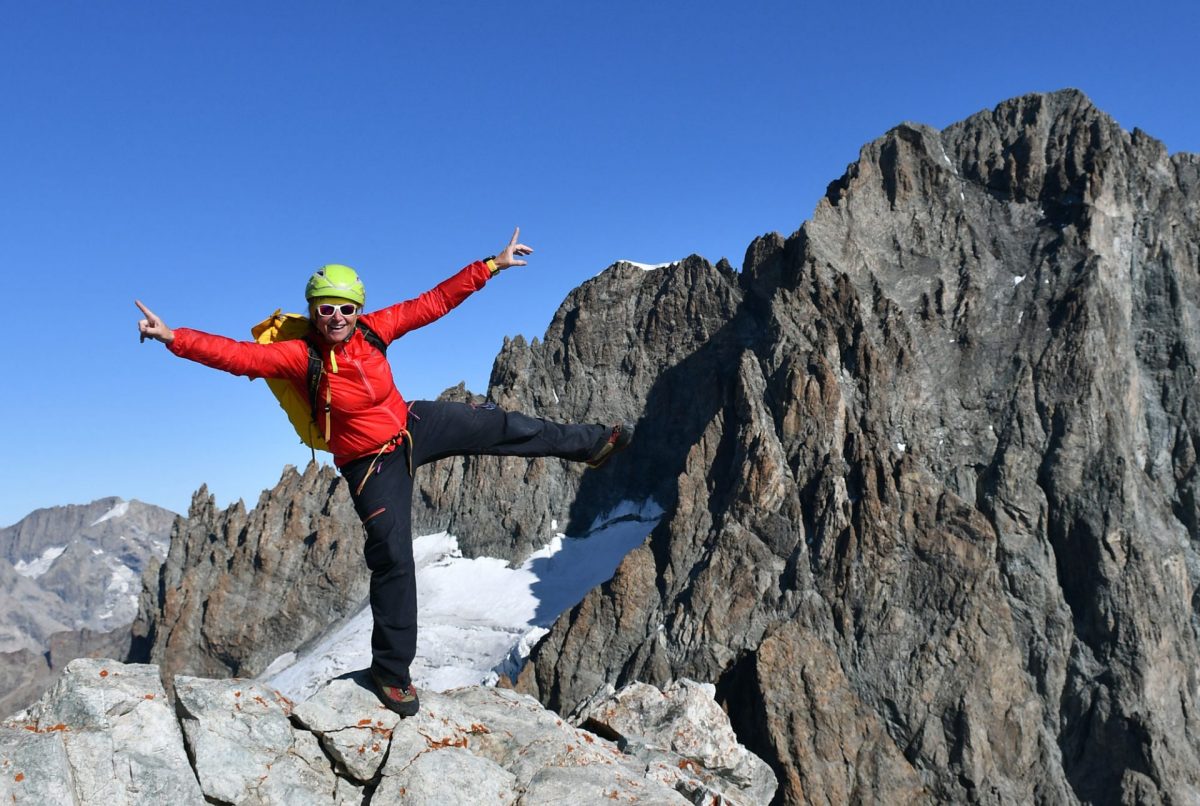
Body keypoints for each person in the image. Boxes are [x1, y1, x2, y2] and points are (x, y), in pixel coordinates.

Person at [135, 228, 631, 716]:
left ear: (358, 310)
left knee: (500, 426)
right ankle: (391, 675)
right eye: (326, 307)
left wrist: (491, 265)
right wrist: (173, 337)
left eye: (345, 307)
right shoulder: (299, 355)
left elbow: (433, 302)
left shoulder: (375, 328)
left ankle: (594, 445)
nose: (336, 316)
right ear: (312, 310)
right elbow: (239, 357)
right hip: (368, 463)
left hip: (411, 423)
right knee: (393, 557)